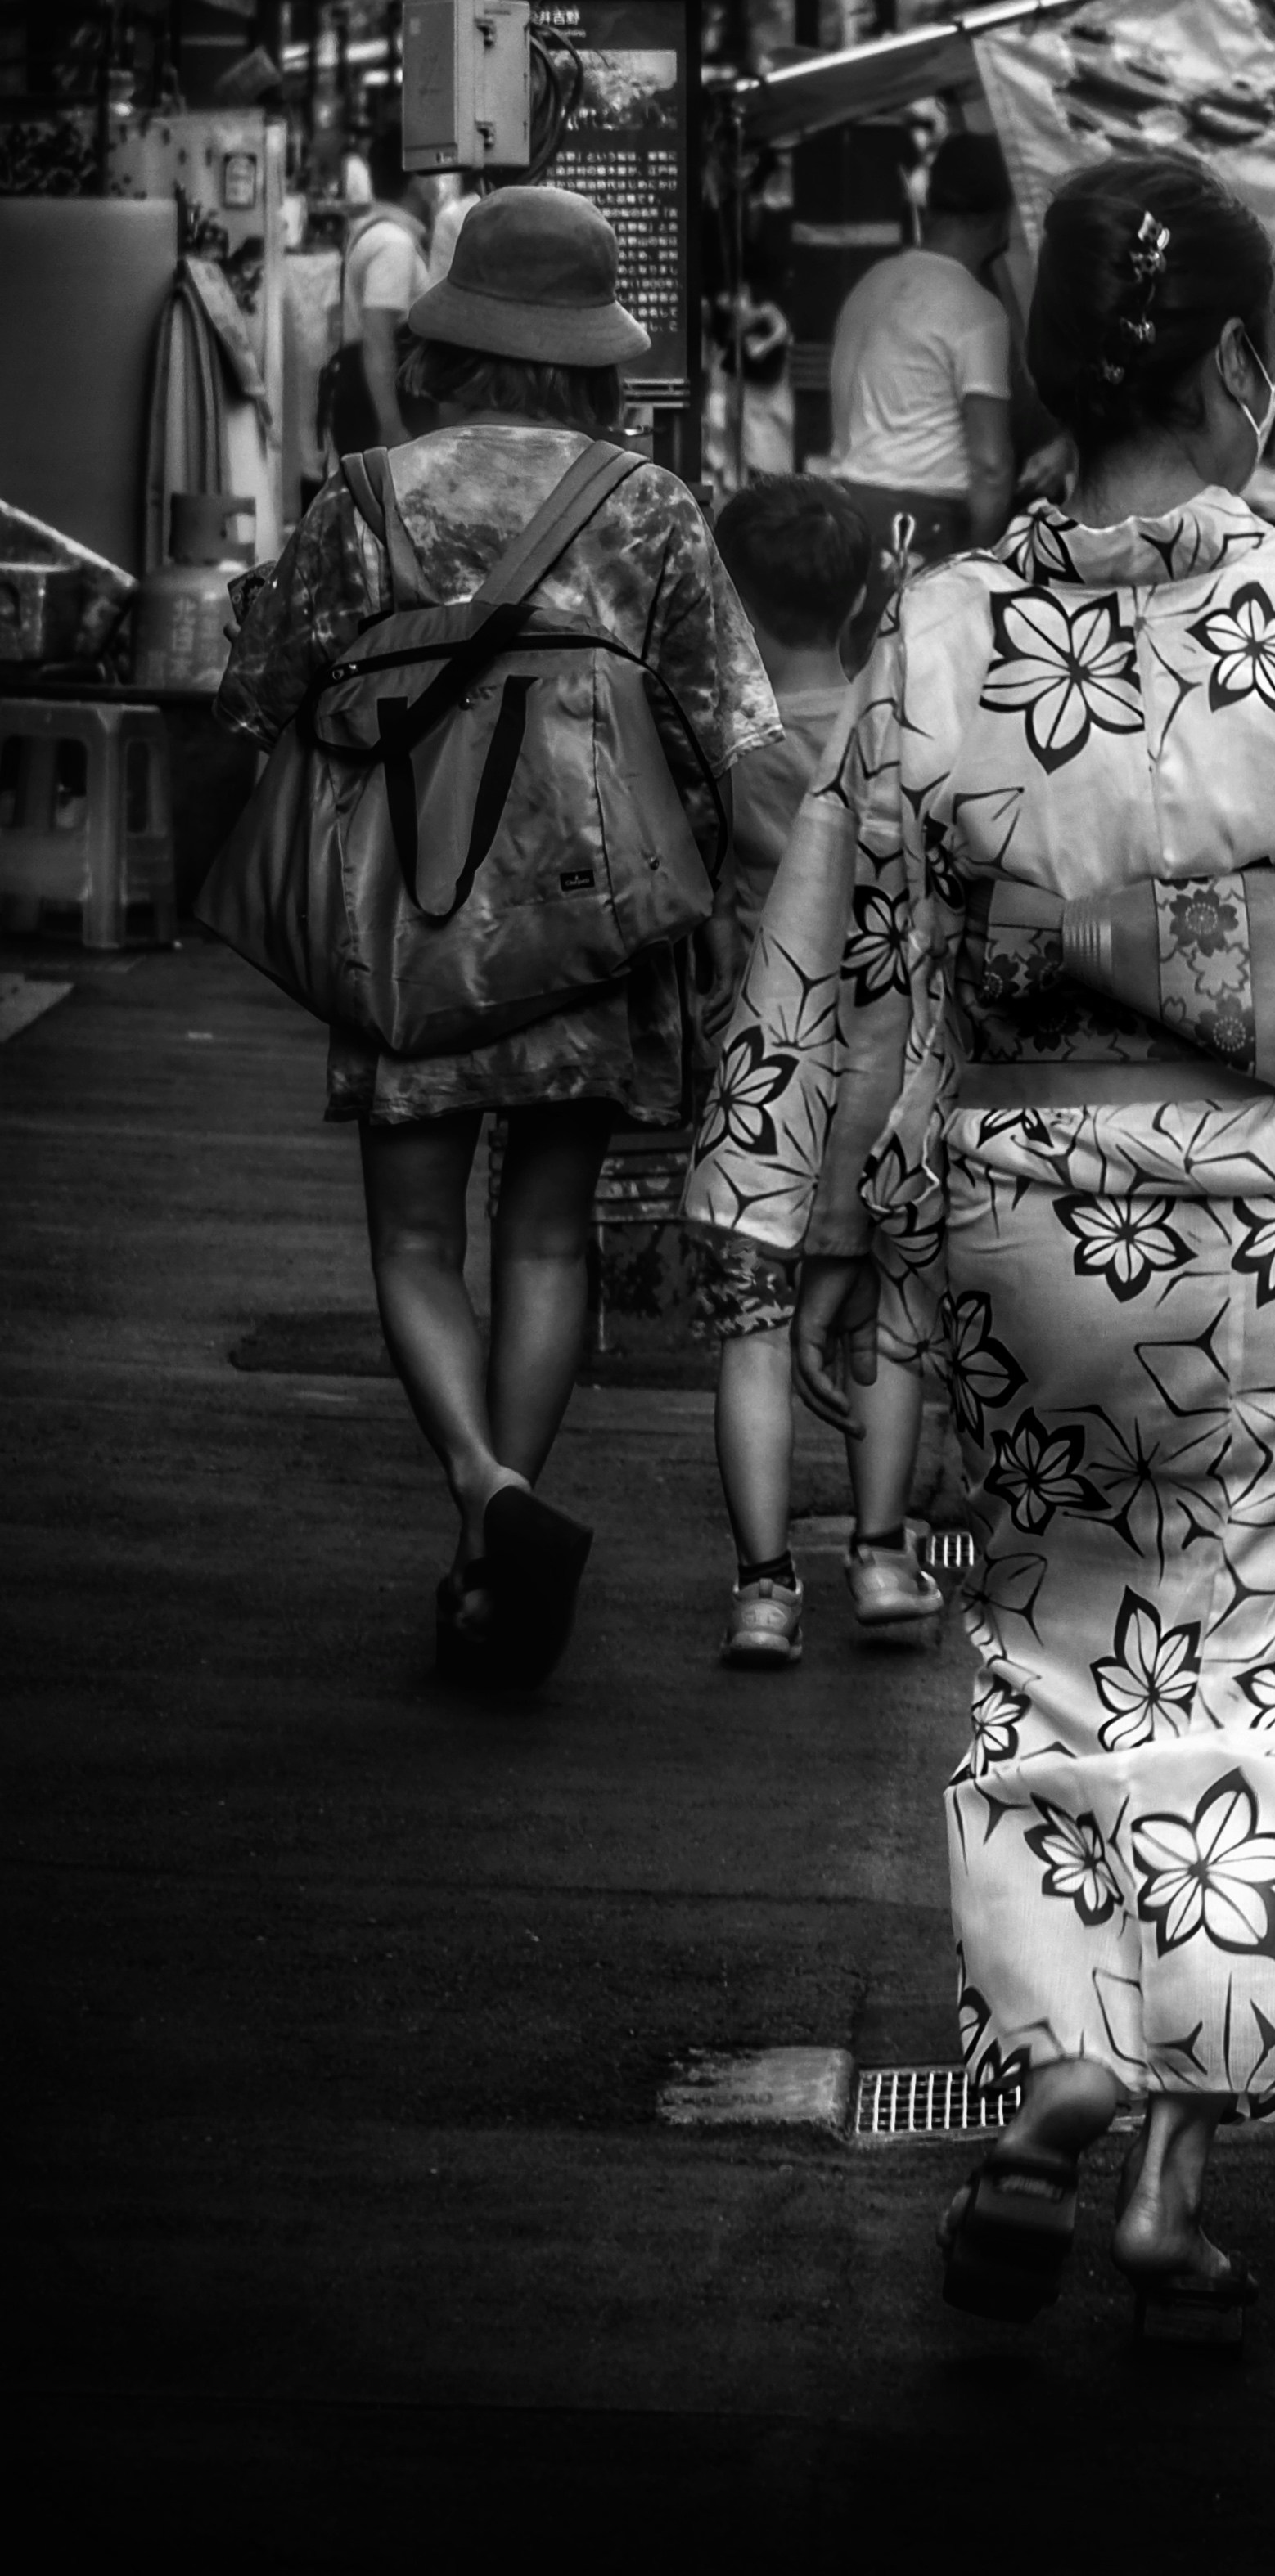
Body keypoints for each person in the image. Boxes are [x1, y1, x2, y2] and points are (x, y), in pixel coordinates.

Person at [686, 152, 1275, 2340]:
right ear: (1250, 366)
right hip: (1265, 1242)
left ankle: (1081, 2080)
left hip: (1015, 1224)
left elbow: (850, 940)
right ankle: (1163, 2113)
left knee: (1055, 1640)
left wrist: (779, 1208)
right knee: (1259, 1673)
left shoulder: (946, 632)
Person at [220, 188, 777, 1684]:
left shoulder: (372, 495)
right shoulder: (647, 503)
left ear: (462, 327)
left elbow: (266, 689)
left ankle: (486, 1494)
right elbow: (730, 731)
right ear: (593, 350)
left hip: (409, 923)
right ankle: (495, 1535)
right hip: (592, 932)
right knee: (546, 1236)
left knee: (412, 1236)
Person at [694, 477, 936, 1670]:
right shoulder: (894, 733)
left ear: (730, 595)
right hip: (884, 1071)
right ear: (859, 594)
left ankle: (761, 1586)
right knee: (888, 1316)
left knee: (751, 1328)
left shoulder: (721, 740)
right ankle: (884, 1553)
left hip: (759, 1070)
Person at [827, 134, 1017, 574]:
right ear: (999, 216)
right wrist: (976, 565)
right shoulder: (977, 308)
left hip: (844, 508)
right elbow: (991, 467)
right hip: (919, 522)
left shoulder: (873, 281)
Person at [324, 129, 425, 456]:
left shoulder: (371, 232)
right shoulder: (392, 243)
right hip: (380, 403)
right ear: (416, 182)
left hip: (363, 391)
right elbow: (379, 339)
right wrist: (391, 425)